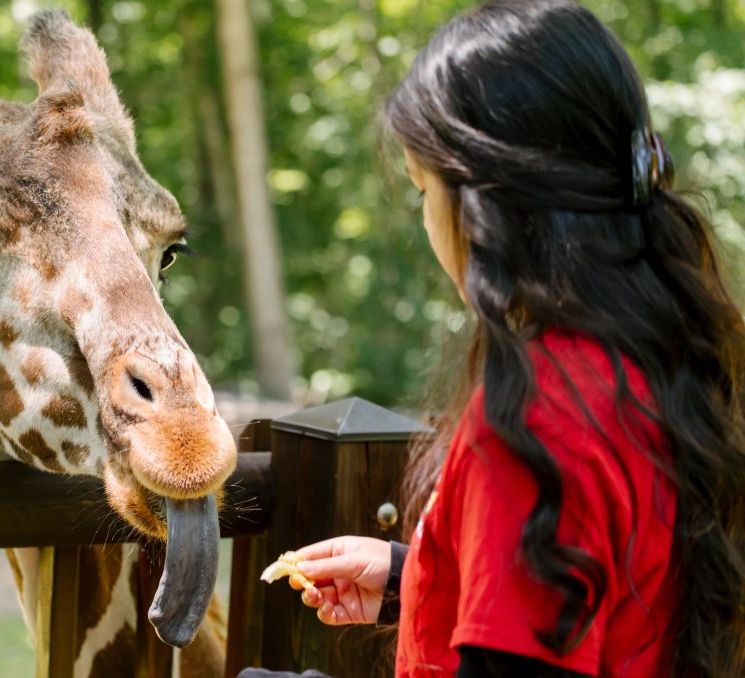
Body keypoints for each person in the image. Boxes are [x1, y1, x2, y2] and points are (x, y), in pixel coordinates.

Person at [255, 1, 745, 676]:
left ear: (483, 203)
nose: (429, 222)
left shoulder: (531, 422)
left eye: (424, 190)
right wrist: (418, 576)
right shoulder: (665, 364)